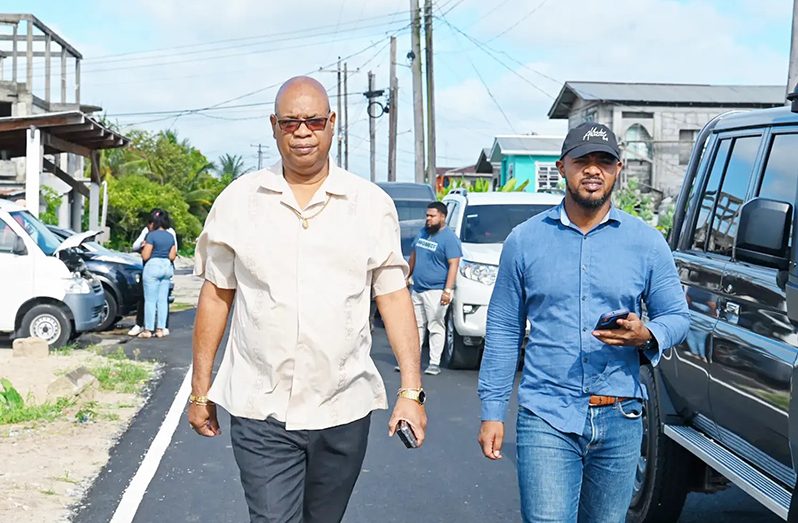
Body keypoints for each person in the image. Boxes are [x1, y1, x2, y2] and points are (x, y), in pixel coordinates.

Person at [188, 76, 427, 523]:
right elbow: (216, 295)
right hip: (262, 408)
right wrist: (200, 390)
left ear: (332, 124)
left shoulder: (369, 205)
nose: (302, 132)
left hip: (343, 406)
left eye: (313, 121)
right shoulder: (239, 201)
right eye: (290, 122)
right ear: (273, 126)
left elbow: (394, 299)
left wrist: (411, 391)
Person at [477, 122, 690, 522]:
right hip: (547, 415)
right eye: (583, 161)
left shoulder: (645, 242)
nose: (593, 170)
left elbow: (677, 316)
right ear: (562, 167)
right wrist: (492, 412)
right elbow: (504, 330)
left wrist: (648, 334)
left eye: (604, 162)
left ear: (618, 169)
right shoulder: (525, 241)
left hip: (621, 415)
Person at [404, 201, 461, 376]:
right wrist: (407, 275)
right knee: (416, 326)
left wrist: (448, 290)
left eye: (432, 216)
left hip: (436, 291)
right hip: (418, 288)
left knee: (435, 326)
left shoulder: (449, 239)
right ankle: (413, 362)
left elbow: (454, 264)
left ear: (442, 217)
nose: (428, 219)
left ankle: (434, 362)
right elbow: (414, 254)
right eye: (427, 216)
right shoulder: (423, 233)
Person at [128, 209, 177, 336]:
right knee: (162, 300)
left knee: (150, 300)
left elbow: (145, 256)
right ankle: (161, 329)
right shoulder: (170, 236)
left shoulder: (151, 235)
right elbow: (172, 256)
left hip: (152, 267)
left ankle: (148, 329)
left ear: (153, 223)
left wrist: (145, 247)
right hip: (166, 267)